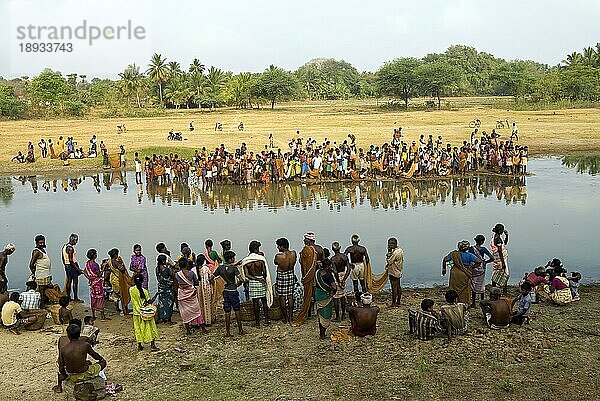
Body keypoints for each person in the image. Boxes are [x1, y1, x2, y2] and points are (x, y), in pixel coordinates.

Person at [211, 251, 245, 337]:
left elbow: (211, 277)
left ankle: (228, 332)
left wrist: (214, 284)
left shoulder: (220, 268)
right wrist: (236, 285)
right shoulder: (233, 268)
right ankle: (240, 330)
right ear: (230, 259)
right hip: (233, 291)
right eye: (233, 258)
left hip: (225, 291)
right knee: (237, 309)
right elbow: (241, 279)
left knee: (227, 311)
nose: (234, 259)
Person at [293, 232, 324, 325]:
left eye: (305, 239)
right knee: (315, 292)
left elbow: (305, 264)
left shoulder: (308, 250)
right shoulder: (319, 249)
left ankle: (309, 313)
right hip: (318, 273)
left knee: (309, 293)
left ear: (309, 240)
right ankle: (316, 312)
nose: (303, 240)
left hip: (311, 274)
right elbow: (324, 262)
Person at [242, 240, 272, 327]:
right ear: (255, 249)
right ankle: (266, 320)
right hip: (261, 280)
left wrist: (255, 278)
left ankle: (257, 323)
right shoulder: (261, 260)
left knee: (255, 302)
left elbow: (247, 275)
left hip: (253, 282)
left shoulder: (246, 261)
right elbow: (265, 272)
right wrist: (260, 279)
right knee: (264, 301)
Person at [442, 241, 481, 305]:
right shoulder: (470, 255)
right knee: (465, 289)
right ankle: (464, 302)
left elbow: (445, 259)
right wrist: (471, 267)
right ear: (467, 248)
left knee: (453, 288)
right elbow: (479, 261)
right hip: (465, 273)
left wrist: (444, 269)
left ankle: (453, 300)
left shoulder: (454, 254)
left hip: (454, 273)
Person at [176, 258, 207, 334]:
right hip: (191, 294)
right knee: (197, 310)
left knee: (184, 313)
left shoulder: (177, 274)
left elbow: (176, 284)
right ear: (187, 264)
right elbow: (196, 283)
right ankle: (203, 328)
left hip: (182, 295)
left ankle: (188, 331)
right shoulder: (191, 273)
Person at [129, 274, 159, 351]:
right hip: (145, 313)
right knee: (150, 328)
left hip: (136, 313)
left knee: (138, 329)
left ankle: (139, 345)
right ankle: (152, 345)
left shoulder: (131, 290)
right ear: (142, 281)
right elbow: (149, 302)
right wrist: (156, 294)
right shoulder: (145, 291)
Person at [274, 237, 297, 323]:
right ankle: (291, 317)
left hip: (282, 275)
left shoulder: (279, 256)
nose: (277, 248)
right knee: (290, 295)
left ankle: (286, 318)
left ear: (282, 246)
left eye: (278, 246)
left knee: (282, 297)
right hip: (290, 274)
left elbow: (276, 262)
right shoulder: (294, 253)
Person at [103, 248, 132, 315]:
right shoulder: (116, 262)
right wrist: (121, 263)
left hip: (113, 278)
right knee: (123, 293)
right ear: (115, 255)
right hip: (118, 280)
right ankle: (125, 309)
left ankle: (117, 308)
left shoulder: (109, 261)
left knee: (116, 294)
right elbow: (122, 269)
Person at [468, 235, 494, 307]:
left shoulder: (471, 249)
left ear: (475, 240)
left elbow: (470, 258)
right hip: (481, 268)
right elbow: (492, 258)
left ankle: (473, 303)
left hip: (473, 268)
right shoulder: (483, 249)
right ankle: (482, 302)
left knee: (473, 284)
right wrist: (485, 262)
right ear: (482, 242)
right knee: (481, 284)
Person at [29, 234, 53, 306]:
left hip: (46, 273)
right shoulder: (36, 251)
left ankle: (45, 301)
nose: (42, 244)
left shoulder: (42, 250)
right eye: (40, 243)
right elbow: (31, 264)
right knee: (41, 290)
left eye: (43, 242)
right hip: (41, 274)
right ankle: (42, 304)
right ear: (36, 243)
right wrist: (35, 272)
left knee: (46, 288)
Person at [314, 259, 336, 339]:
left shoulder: (317, 272)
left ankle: (321, 334)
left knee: (320, 315)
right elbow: (334, 287)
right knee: (326, 315)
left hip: (318, 295)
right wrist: (333, 292)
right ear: (327, 267)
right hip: (326, 297)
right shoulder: (328, 275)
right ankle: (323, 334)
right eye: (329, 266)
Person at [84, 249, 107, 320]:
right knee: (100, 298)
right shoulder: (95, 265)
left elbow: (84, 272)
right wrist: (103, 267)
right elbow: (99, 274)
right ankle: (102, 316)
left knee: (93, 297)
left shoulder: (87, 263)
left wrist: (89, 278)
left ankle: (93, 315)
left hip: (92, 283)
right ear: (94, 256)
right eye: (95, 254)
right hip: (97, 283)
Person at [330, 242, 350, 321]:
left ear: (332, 249)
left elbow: (335, 271)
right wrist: (344, 279)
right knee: (342, 295)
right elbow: (348, 268)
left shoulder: (333, 259)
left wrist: (338, 282)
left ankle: (338, 316)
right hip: (343, 274)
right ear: (340, 247)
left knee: (336, 297)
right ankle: (343, 315)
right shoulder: (344, 257)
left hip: (337, 277)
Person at [62, 233, 84, 302]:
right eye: (76, 240)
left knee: (69, 281)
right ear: (73, 240)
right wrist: (78, 269)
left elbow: (63, 258)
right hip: (72, 266)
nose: (76, 242)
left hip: (67, 265)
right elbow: (71, 260)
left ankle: (68, 297)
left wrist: (65, 265)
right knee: (75, 281)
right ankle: (75, 298)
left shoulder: (64, 246)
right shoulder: (71, 248)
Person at [490, 223, 510, 294]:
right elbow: (500, 251)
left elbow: (505, 243)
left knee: (495, 273)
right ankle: (504, 292)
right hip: (500, 259)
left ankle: (493, 289)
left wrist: (507, 235)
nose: (503, 231)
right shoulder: (498, 239)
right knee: (505, 275)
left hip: (496, 259)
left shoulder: (495, 236)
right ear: (499, 231)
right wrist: (503, 263)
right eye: (502, 230)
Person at [156, 255, 175, 324]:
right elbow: (171, 276)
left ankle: (163, 317)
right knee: (169, 303)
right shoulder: (166, 269)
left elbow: (159, 279)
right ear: (163, 261)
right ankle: (169, 319)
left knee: (162, 303)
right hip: (167, 288)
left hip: (161, 288)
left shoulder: (157, 269)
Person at [195, 254, 213, 325]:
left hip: (199, 288)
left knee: (201, 304)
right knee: (208, 304)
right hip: (206, 287)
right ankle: (208, 321)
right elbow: (208, 278)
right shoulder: (205, 268)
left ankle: (202, 320)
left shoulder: (196, 268)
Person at [386, 237, 404, 306]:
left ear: (395, 244)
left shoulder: (395, 253)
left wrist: (388, 252)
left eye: (391, 244)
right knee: (398, 287)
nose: (390, 245)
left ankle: (393, 303)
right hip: (398, 271)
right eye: (389, 244)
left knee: (394, 288)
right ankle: (398, 301)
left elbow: (389, 261)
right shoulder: (400, 250)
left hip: (393, 272)